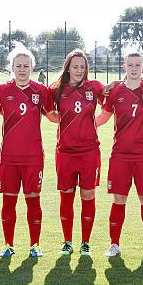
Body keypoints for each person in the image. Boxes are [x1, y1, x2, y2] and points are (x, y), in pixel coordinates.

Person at [95, 52, 143, 257]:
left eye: (137, 64)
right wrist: (79, 122)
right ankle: (114, 244)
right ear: (123, 66)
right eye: (130, 64)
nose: (134, 68)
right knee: (119, 199)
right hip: (120, 154)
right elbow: (103, 117)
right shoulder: (115, 91)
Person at [0, 43, 54, 258]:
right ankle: (8, 244)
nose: (22, 69)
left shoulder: (41, 92)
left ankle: (35, 244)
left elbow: (54, 117)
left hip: (33, 157)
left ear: (32, 67)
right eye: (18, 65)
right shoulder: (2, 91)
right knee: (9, 200)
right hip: (8, 157)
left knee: (33, 199)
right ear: (12, 67)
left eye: (26, 65)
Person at [47, 49, 104, 256]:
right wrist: (65, 122)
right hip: (66, 152)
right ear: (68, 68)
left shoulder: (94, 87)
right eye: (75, 66)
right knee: (67, 196)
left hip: (89, 151)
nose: (79, 70)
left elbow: (110, 100)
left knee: (88, 195)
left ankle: (85, 242)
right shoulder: (56, 90)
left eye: (82, 66)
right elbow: (49, 112)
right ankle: (68, 242)